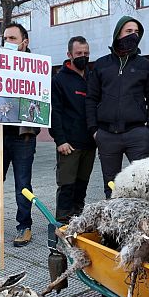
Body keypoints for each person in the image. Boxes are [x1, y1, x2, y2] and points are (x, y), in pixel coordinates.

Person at [86, 16, 149, 198]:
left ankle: (143, 216)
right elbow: (91, 98)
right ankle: (114, 215)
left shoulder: (145, 65)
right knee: (112, 187)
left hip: (137, 134)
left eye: (136, 32)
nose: (133, 35)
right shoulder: (102, 64)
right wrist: (94, 129)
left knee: (144, 184)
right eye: (129, 31)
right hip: (106, 135)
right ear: (118, 34)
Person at [0, 22, 38, 247]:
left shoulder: (36, 69)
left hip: (23, 137)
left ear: (25, 42)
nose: (8, 42)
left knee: (23, 185)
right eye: (5, 38)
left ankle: (24, 226)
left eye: (13, 38)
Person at [49, 36, 96, 222]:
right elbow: (55, 112)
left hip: (89, 144)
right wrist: (60, 140)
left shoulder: (92, 78)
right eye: (79, 53)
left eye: (86, 53)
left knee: (82, 186)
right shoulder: (59, 80)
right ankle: (62, 223)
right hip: (69, 145)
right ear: (69, 55)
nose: (83, 56)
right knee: (67, 186)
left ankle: (78, 219)